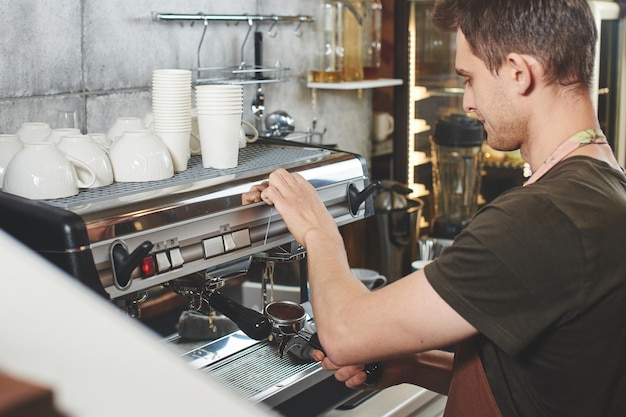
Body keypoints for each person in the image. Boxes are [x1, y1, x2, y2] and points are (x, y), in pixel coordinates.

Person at [252, 0, 626, 415]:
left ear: (519, 73)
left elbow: (342, 332)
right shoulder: (605, 185)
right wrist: (415, 364)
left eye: (469, 78)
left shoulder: (541, 217)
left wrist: (317, 229)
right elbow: (542, 383)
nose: (467, 100)